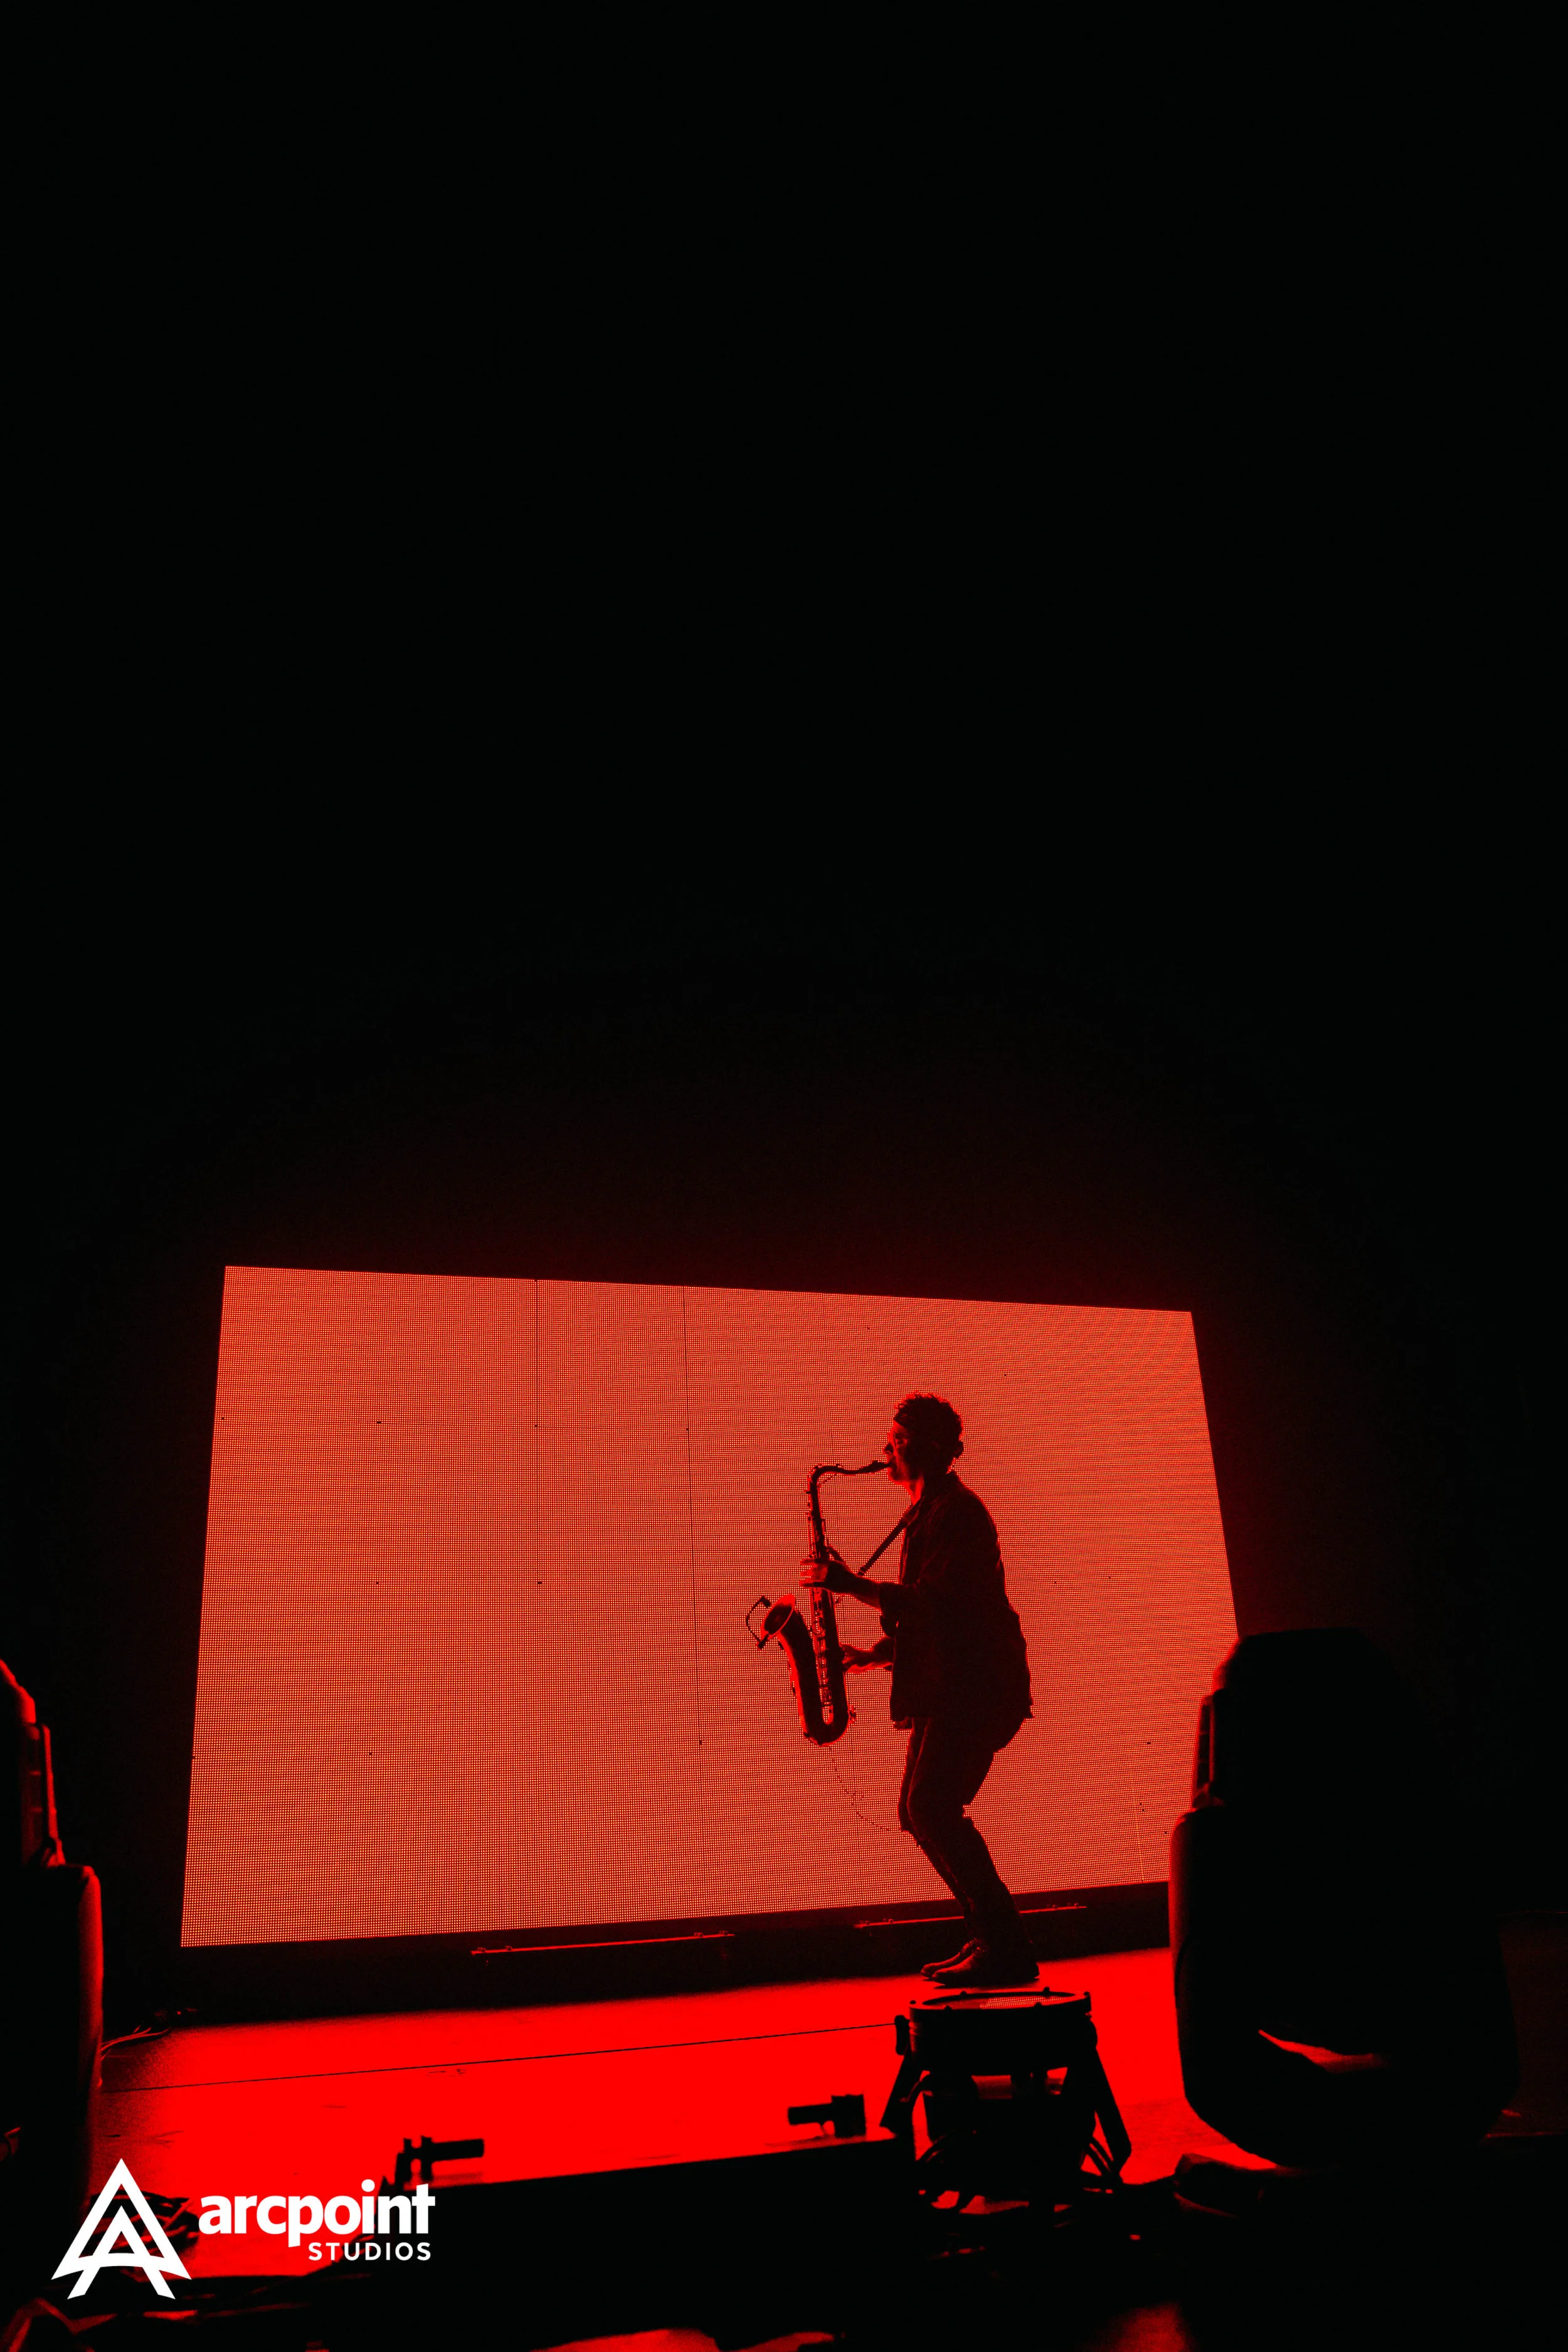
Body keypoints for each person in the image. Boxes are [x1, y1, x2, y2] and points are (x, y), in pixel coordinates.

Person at [808, 1392, 1036, 1987]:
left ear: (934, 1450)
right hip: (954, 1687)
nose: (887, 1451)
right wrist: (877, 1654)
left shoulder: (957, 1513)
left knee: (930, 1808)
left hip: (977, 1690)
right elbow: (939, 1621)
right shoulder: (928, 1513)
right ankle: (990, 1937)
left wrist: (847, 1584)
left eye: (901, 1441)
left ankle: (1006, 1945)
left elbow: (938, 1607)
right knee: (919, 1811)